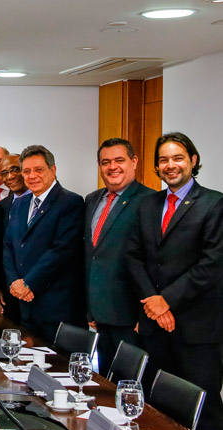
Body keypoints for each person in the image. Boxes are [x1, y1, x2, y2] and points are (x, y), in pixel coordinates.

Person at [126, 132, 223, 430]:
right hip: (155, 327)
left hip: (196, 329)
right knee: (159, 412)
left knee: (204, 415)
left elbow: (211, 265)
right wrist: (153, 303)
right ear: (157, 166)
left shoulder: (214, 203)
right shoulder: (148, 204)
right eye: (164, 160)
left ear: (193, 161)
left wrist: (165, 301)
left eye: (178, 158)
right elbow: (134, 256)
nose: (170, 165)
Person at [84, 138, 153, 375]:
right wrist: (90, 307)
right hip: (100, 313)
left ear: (134, 162)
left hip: (131, 316)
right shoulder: (92, 199)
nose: (112, 167)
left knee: (131, 383)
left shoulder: (149, 200)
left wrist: (144, 315)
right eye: (105, 162)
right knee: (105, 381)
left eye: (119, 160)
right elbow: (92, 255)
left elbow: (152, 261)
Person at [3, 145, 84, 343]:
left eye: (38, 170)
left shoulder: (70, 202)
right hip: (25, 306)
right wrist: (14, 282)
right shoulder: (20, 203)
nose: (32, 176)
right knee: (27, 360)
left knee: (58, 362)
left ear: (53, 170)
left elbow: (61, 251)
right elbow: (8, 246)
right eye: (26, 171)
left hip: (56, 307)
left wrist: (28, 283)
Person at [0, 153, 30, 322]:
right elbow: (0, 248)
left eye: (15, 169)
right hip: (9, 293)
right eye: (4, 173)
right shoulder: (1, 206)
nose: (10, 176)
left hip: (39, 292)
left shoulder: (42, 203)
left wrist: (27, 283)